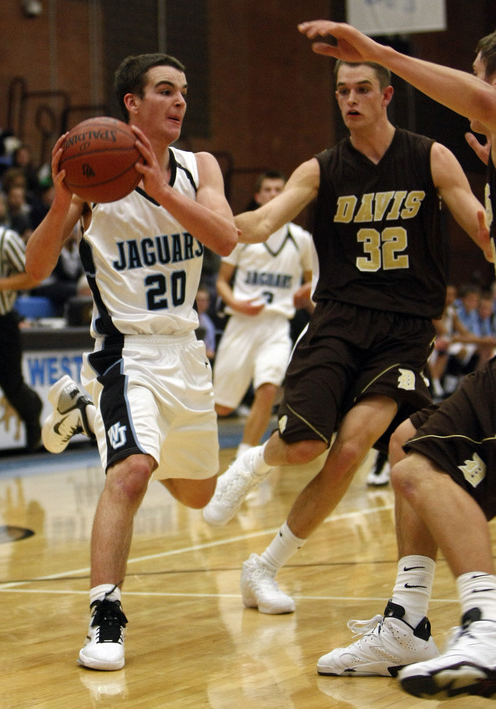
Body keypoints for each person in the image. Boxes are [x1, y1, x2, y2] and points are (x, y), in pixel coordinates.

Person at [201, 44, 493, 628]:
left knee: (356, 447)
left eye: (362, 89)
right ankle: (257, 461)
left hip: (405, 331)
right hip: (338, 321)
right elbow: (260, 222)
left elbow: (482, 231)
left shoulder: (431, 158)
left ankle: (264, 566)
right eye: (341, 91)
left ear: (386, 95)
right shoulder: (322, 167)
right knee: (308, 447)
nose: (351, 99)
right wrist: (194, 214)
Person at [295, 18, 496, 699]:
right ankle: (410, 619)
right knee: (414, 449)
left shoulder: (447, 144)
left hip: (411, 327)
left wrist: (379, 53)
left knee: (420, 464)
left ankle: (485, 627)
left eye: (477, 78)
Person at [26, 51, 237, 671]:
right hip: (126, 353)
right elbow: (36, 269)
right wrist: (61, 198)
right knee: (132, 473)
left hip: (187, 352)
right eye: (165, 90)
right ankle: (105, 618)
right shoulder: (91, 173)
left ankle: (85, 415)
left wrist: (164, 192)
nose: (179, 102)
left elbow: (225, 238)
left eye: (185, 91)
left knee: (199, 496)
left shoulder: (199, 168)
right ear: (131, 104)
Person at [210, 170, 312, 464]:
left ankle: (244, 461)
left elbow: (311, 280)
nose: (273, 195)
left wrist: (304, 291)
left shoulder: (301, 239)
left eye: (279, 189)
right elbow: (221, 282)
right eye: (267, 189)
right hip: (242, 324)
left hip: (277, 326)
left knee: (268, 388)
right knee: (222, 406)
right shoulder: (243, 231)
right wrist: (238, 305)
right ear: (258, 196)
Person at [0, 223, 43, 451]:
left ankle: (33, 412)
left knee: (13, 387)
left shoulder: (5, 239)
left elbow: (33, 276)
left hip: (1, 325)